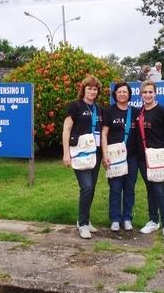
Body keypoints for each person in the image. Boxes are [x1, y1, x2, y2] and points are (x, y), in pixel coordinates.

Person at [62, 75, 103, 239]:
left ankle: (83, 219)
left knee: (91, 188)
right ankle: (83, 224)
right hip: (79, 152)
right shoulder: (75, 106)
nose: (92, 91)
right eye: (89, 88)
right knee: (86, 186)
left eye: (95, 89)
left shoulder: (98, 109)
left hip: (95, 153)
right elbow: (66, 129)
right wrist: (66, 153)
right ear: (83, 89)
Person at [137, 80, 164, 241]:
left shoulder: (162, 111)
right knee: (150, 190)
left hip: (159, 157)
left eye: (150, 92)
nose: (147, 95)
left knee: (160, 191)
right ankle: (153, 220)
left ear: (155, 93)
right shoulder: (140, 112)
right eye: (145, 92)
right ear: (141, 94)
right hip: (143, 158)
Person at [101, 82, 139, 232]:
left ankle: (127, 217)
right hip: (114, 157)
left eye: (125, 92)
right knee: (115, 189)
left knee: (129, 189)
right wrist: (104, 155)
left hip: (132, 157)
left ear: (129, 94)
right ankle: (115, 219)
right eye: (119, 92)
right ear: (115, 94)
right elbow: (104, 133)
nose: (122, 94)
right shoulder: (109, 111)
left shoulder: (135, 112)